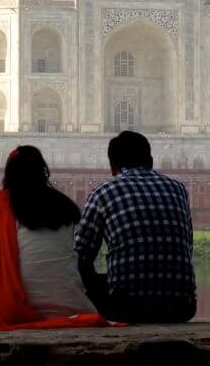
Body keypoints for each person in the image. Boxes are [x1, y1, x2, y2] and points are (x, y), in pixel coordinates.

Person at [0, 145, 109, 330]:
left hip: (17, 309)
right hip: (73, 305)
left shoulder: (0, 205)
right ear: (43, 171)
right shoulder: (64, 205)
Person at [75, 131, 197, 323]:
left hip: (126, 308)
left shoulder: (103, 193)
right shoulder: (178, 189)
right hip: (182, 306)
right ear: (150, 160)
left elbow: (80, 255)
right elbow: (188, 246)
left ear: (113, 166)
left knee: (85, 277)